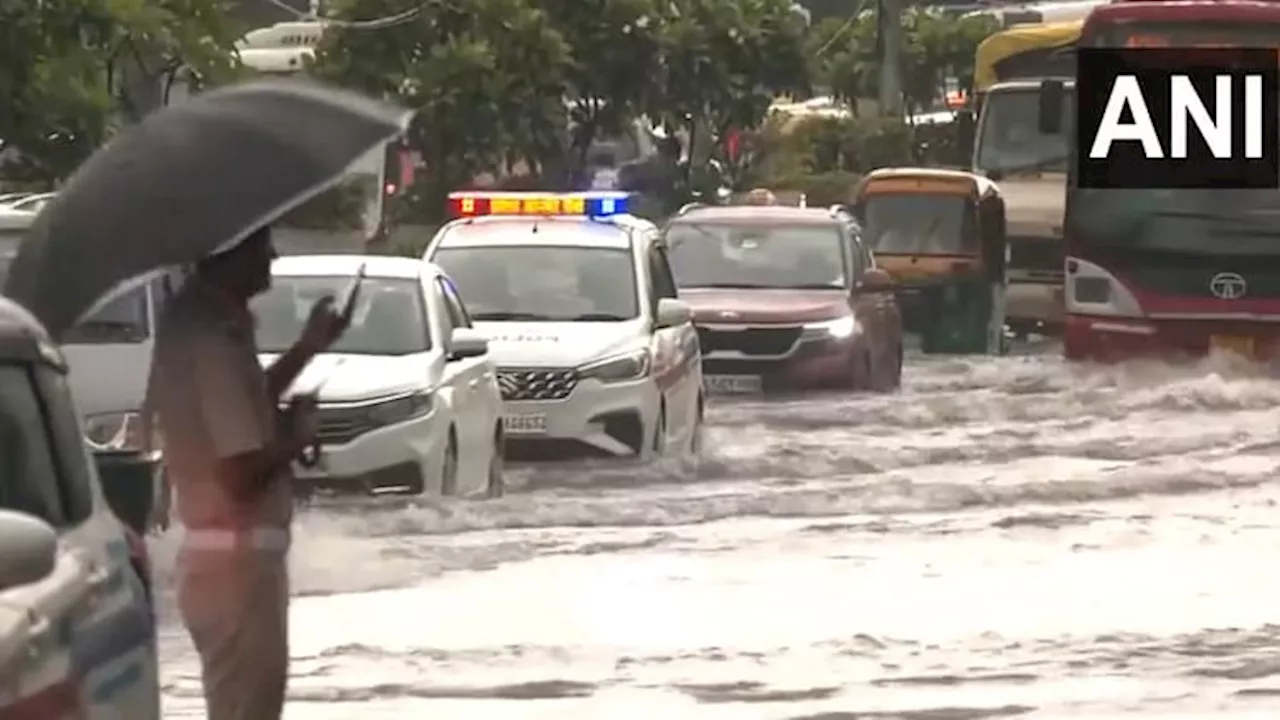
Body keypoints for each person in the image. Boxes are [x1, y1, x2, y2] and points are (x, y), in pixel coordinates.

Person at [148, 225, 350, 720]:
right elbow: (238, 474)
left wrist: (307, 347)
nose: (272, 257)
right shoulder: (213, 340)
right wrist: (296, 438)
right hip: (237, 571)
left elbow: (245, 401)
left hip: (223, 564)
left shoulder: (197, 323)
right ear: (230, 254)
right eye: (261, 246)